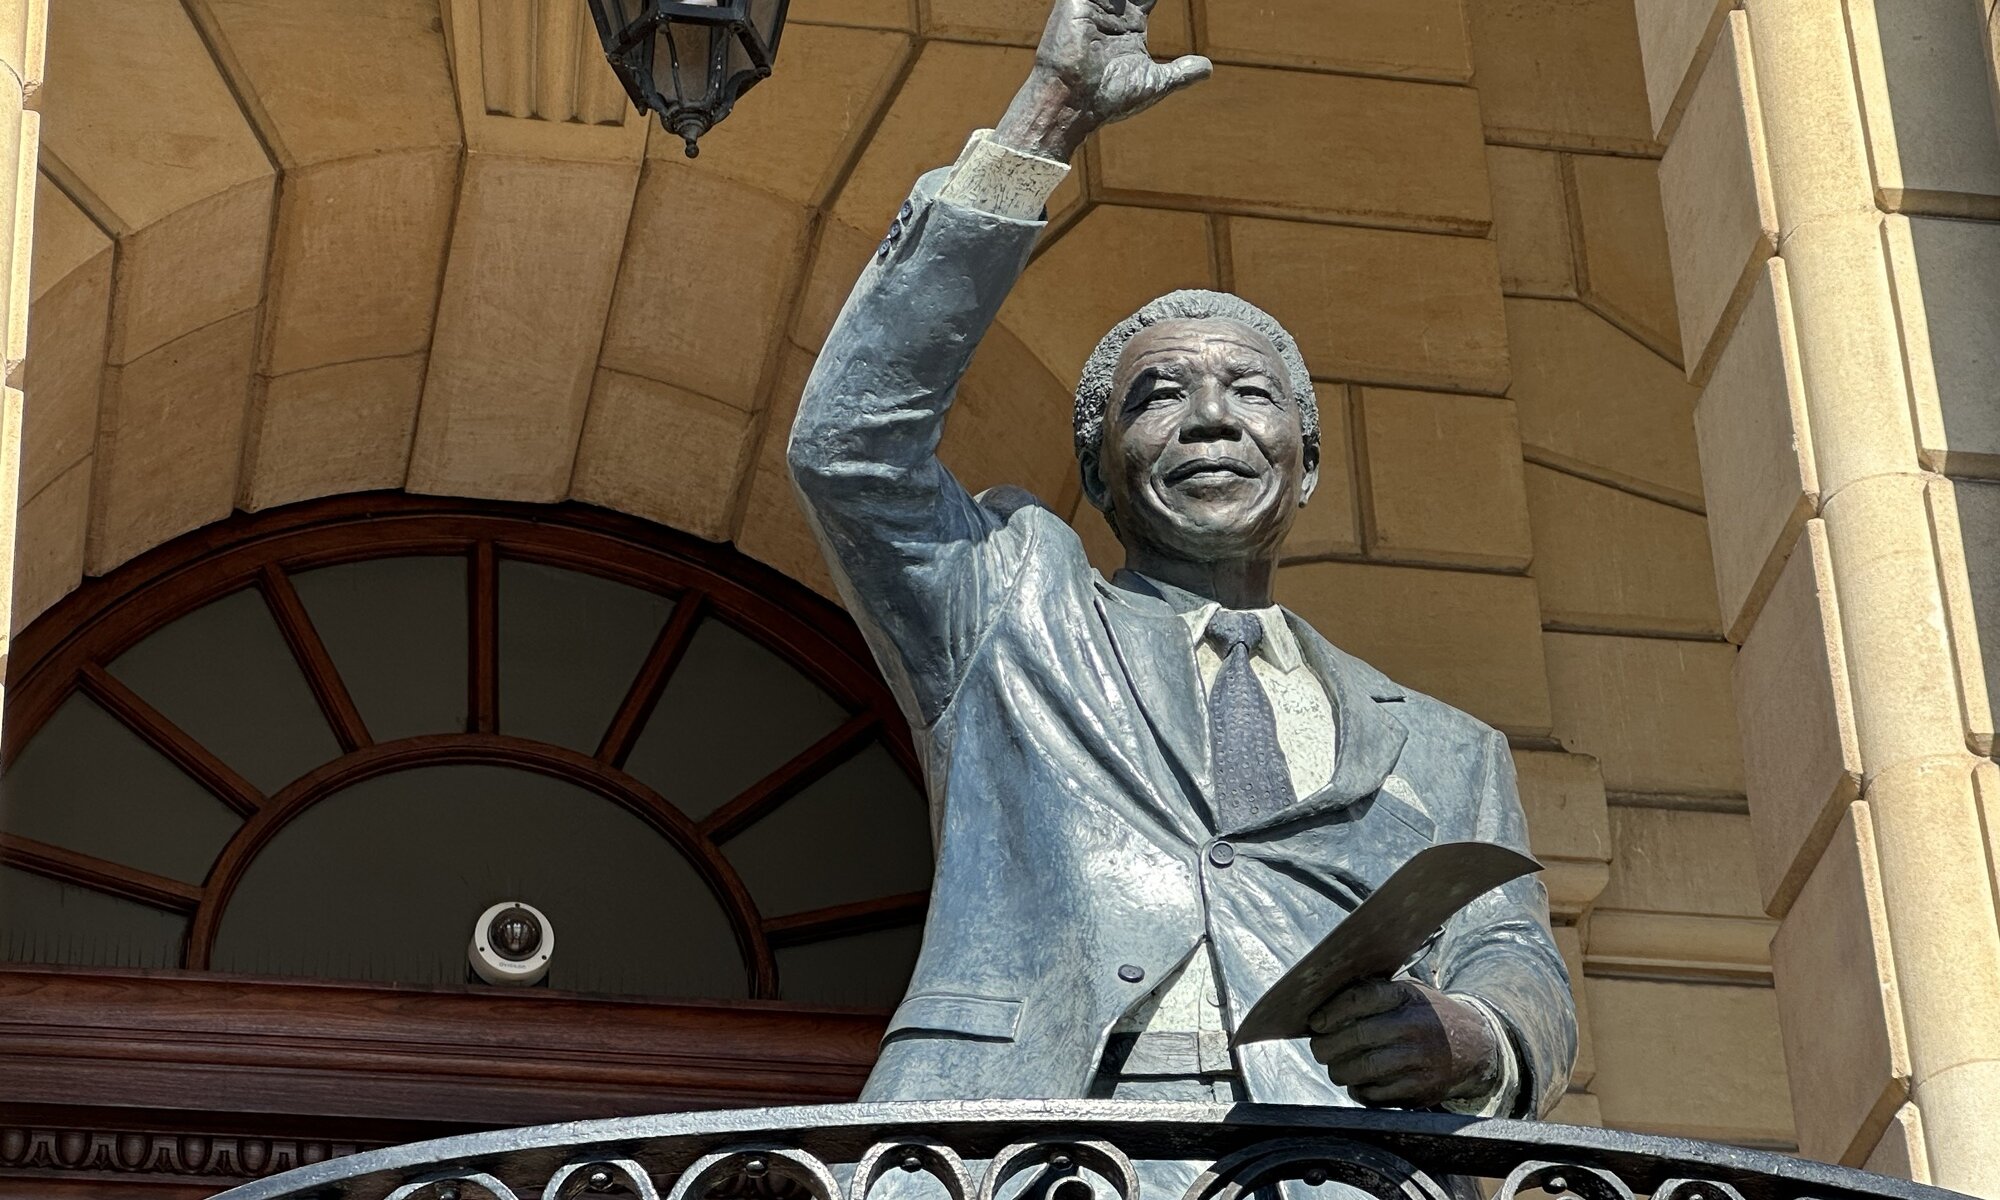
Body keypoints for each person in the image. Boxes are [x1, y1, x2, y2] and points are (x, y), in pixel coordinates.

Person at [788, 0, 1575, 1123]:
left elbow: (1511, 959)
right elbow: (849, 447)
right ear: (1102, 478)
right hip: (1044, 1159)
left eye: (1250, 393)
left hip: (1334, 1170)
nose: (1209, 418)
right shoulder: (1008, 607)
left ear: (1302, 467)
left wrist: (1474, 1039)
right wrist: (1049, 113)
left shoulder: (1451, 752)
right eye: (1158, 397)